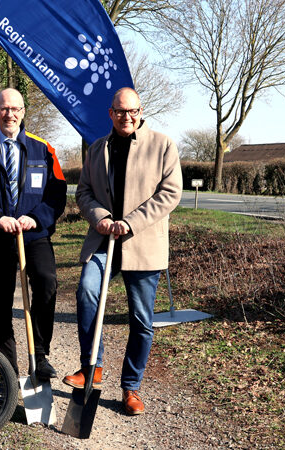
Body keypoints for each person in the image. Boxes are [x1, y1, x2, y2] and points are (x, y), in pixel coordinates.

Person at [62, 87, 182, 415]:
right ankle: (93, 366)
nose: (126, 117)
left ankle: (131, 387)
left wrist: (130, 222)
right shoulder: (98, 149)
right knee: (87, 290)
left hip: (141, 243)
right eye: (120, 111)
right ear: (111, 113)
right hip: (104, 241)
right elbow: (84, 192)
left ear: (141, 111)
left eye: (132, 111)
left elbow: (170, 193)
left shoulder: (162, 146)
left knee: (142, 319)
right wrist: (100, 219)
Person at [0, 88, 66, 380]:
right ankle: (8, 369)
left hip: (34, 235)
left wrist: (35, 218)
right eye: (4, 109)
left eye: (15, 109)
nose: (10, 114)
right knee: (1, 302)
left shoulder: (43, 148)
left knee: (46, 282)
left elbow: (57, 194)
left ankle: (40, 355)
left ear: (23, 112)